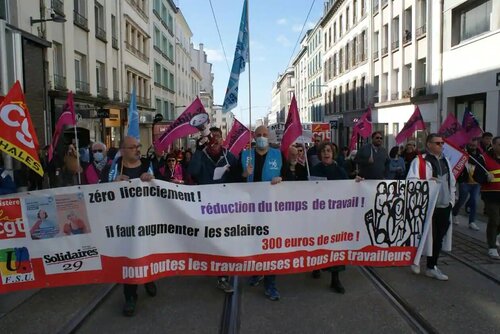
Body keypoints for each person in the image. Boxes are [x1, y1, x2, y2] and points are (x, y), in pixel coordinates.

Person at [108, 136, 157, 316]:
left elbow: (159, 186)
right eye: (133, 147)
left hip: (146, 219)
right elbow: (98, 189)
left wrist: (150, 179)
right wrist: (113, 185)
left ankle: (149, 278)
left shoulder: (146, 164)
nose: (137, 149)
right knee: (129, 257)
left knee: (148, 252)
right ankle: (130, 296)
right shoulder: (115, 166)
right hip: (124, 221)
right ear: (122, 150)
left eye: (139, 146)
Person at [188, 126, 240, 293]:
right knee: (208, 240)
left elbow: (238, 179)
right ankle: (209, 264)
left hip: (224, 207)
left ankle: (222, 277)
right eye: (212, 136)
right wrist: (198, 150)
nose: (215, 139)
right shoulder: (201, 155)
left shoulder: (229, 157)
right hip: (205, 207)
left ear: (222, 139)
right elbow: (192, 172)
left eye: (217, 136)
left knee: (222, 240)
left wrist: (234, 173)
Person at [241, 125, 283, 301]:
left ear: (269, 137)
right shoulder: (245, 155)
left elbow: (290, 178)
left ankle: (270, 285)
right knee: (254, 244)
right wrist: (244, 174)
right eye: (258, 135)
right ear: (254, 137)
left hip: (271, 210)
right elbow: (233, 182)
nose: (262, 137)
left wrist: (282, 179)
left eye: (265, 135)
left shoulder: (278, 155)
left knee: (270, 247)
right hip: (251, 211)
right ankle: (257, 272)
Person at [407, 133, 456, 280]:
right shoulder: (419, 161)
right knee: (422, 235)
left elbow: (451, 183)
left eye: (442, 143)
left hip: (444, 205)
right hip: (427, 206)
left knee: (438, 237)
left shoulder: (446, 161)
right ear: (429, 145)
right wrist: (428, 181)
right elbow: (411, 181)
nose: (441, 146)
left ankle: (431, 266)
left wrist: (451, 202)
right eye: (438, 143)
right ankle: (415, 261)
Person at [310, 142, 354, 293]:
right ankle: (316, 265)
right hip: (319, 215)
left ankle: (335, 279)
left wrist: (358, 183)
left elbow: (349, 188)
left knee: (336, 245)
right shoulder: (314, 170)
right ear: (320, 154)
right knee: (318, 241)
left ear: (333, 153)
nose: (326, 153)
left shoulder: (340, 171)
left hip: (336, 215)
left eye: (328, 151)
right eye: (323, 151)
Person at [473, 136, 500, 259]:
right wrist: (485, 177)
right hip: (491, 195)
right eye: (499, 144)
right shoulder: (483, 158)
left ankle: (495, 236)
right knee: (494, 219)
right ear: (493, 145)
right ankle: (492, 246)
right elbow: (476, 175)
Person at [452, 138, 481, 231]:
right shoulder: (463, 154)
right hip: (465, 182)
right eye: (471, 145)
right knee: (461, 201)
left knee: (474, 202)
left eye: (474, 145)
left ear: (477, 145)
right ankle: (454, 214)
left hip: (476, 183)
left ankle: (472, 222)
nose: (472, 147)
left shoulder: (480, 156)